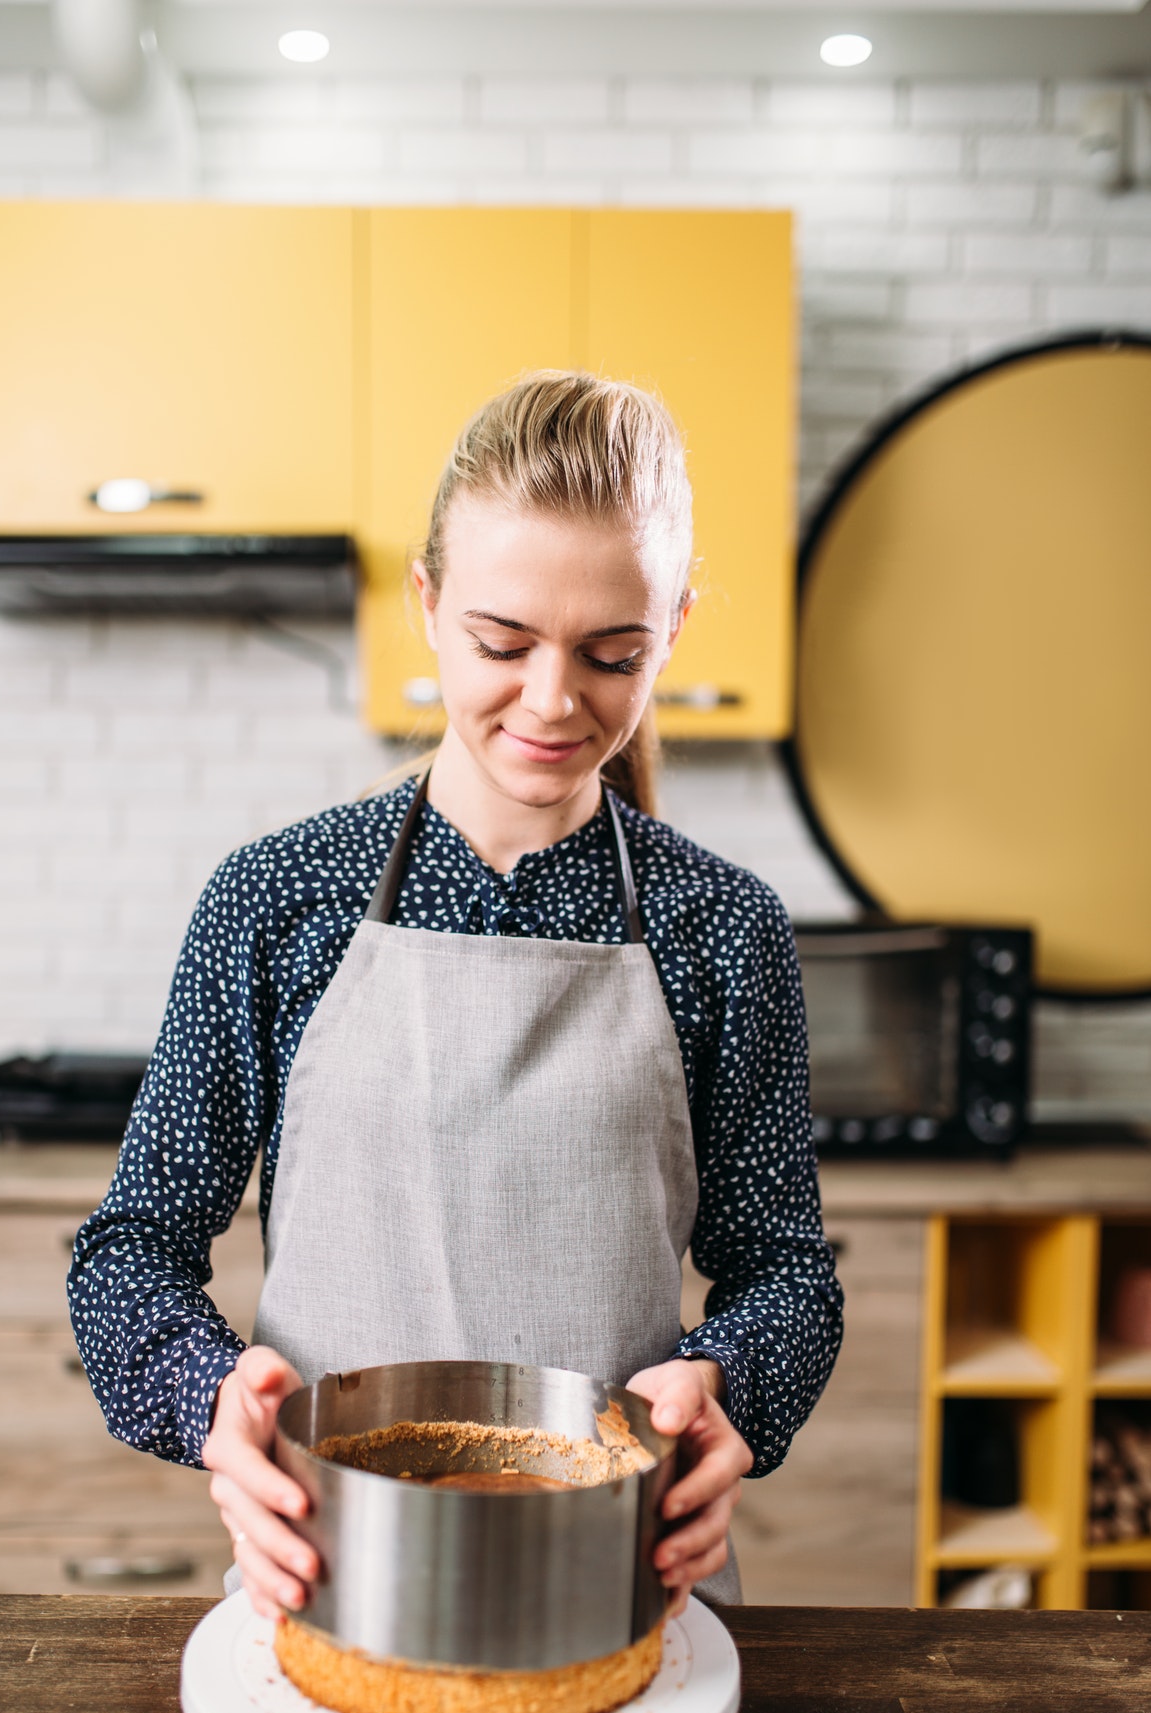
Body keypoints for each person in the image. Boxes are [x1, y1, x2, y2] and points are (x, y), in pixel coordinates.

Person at [68, 370, 842, 1623]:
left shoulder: (721, 928)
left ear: (674, 630)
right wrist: (213, 1401)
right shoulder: (279, 898)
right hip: (335, 1578)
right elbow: (129, 1253)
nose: (553, 699)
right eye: (502, 642)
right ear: (427, 606)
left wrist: (731, 1387)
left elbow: (786, 1271)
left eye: (613, 654)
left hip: (618, 1582)